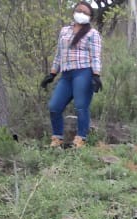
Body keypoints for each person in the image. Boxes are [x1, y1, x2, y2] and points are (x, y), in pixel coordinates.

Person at [41, 1, 103, 149]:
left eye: (85, 12)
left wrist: (96, 75)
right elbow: (59, 54)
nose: (81, 13)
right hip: (66, 75)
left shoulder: (92, 34)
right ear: (74, 12)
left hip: (83, 72)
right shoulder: (64, 31)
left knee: (81, 106)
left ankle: (81, 139)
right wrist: (52, 73)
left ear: (90, 16)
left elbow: (95, 56)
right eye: (78, 10)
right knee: (54, 106)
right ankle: (57, 139)